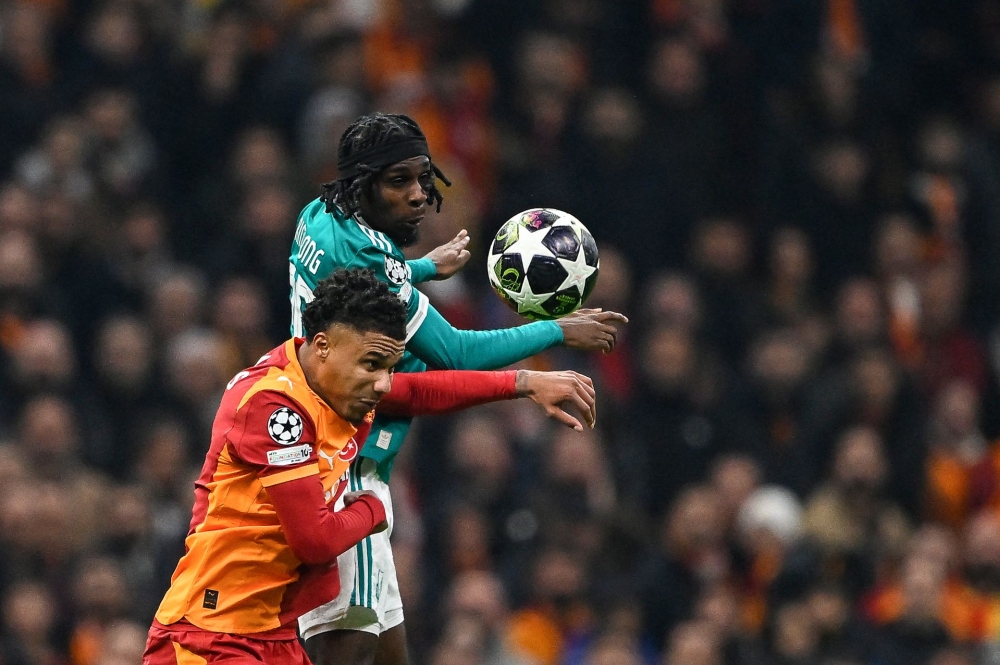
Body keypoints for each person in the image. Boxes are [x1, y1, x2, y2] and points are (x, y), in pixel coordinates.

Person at [289, 112, 628, 665]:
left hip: (334, 452)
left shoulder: (319, 217)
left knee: (390, 654)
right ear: (361, 184)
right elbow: (454, 352)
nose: (419, 195)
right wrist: (556, 332)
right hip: (344, 470)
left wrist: (420, 268)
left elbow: (361, 273)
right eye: (399, 181)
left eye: (424, 178)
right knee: (345, 654)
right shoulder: (374, 264)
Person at [142, 269, 600, 664]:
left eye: (389, 367)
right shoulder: (274, 408)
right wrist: (373, 509)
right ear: (323, 346)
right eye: (373, 365)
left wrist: (523, 382)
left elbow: (418, 391)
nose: (383, 383)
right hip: (208, 634)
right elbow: (315, 541)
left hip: (270, 631)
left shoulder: (337, 380)